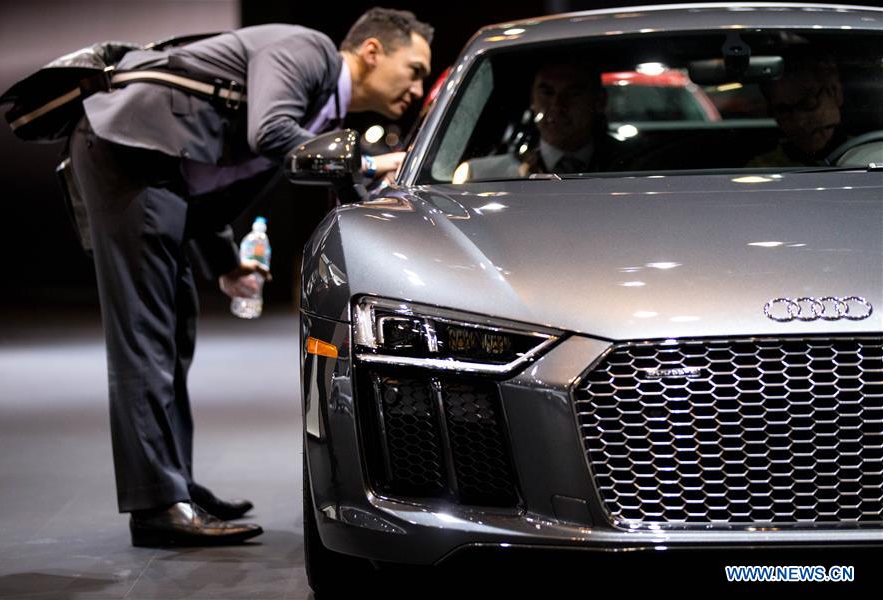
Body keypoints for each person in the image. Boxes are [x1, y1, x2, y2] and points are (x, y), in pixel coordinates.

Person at [69, 8, 432, 547]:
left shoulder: (316, 108)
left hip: (158, 166)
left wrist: (224, 262)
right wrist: (368, 165)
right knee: (145, 338)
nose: (419, 85)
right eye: (417, 68)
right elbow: (267, 132)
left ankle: (174, 487)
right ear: (373, 51)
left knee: (172, 336)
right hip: (130, 151)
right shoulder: (309, 50)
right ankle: (157, 504)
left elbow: (211, 174)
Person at [465, 59, 616, 180]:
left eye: (573, 94)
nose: (557, 105)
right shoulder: (483, 175)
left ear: (599, 101)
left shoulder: (633, 167)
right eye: (547, 93)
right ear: (532, 100)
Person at [750, 51, 846, 167]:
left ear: (836, 92)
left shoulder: (870, 153)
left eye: (807, 103)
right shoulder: (762, 170)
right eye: (783, 110)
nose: (799, 122)